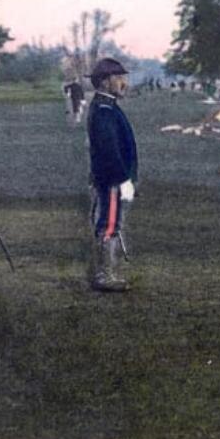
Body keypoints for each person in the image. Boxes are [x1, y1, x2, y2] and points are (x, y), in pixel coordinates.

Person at [87, 58, 137, 292]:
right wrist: (122, 179)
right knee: (109, 225)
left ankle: (105, 272)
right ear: (105, 82)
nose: (123, 83)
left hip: (109, 179)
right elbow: (109, 150)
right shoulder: (105, 110)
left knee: (109, 223)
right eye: (118, 78)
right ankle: (104, 274)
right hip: (112, 181)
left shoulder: (107, 107)